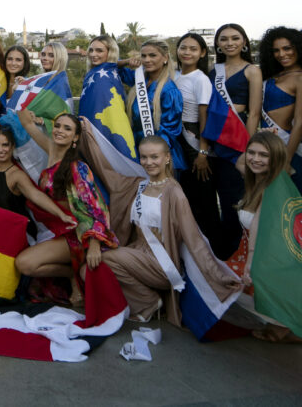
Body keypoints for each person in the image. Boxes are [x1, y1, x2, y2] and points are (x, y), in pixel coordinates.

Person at [81, 132, 242, 324]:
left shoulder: (174, 194)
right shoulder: (137, 185)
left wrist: (218, 276)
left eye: (154, 157)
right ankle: (146, 299)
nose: (149, 162)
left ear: (167, 158)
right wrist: (86, 135)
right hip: (137, 253)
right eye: (144, 157)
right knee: (86, 270)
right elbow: (106, 170)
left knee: (104, 259)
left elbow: (194, 240)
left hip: (161, 263)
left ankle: (146, 302)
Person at [14, 110, 118, 306]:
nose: (60, 130)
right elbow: (25, 122)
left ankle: (74, 274)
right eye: (58, 126)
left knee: (25, 263)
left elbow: (95, 207)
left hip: (78, 235)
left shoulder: (77, 168)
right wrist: (18, 89)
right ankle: (71, 273)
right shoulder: (52, 150)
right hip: (59, 231)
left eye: (67, 128)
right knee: (23, 265)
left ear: (76, 137)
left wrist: (95, 243)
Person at [222, 132, 302, 342]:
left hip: (269, 260)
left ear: (276, 158)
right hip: (255, 254)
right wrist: (264, 137)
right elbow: (242, 162)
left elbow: (259, 228)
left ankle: (282, 325)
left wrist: (250, 264)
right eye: (252, 152)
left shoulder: (272, 188)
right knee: (218, 279)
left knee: (223, 284)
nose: (255, 159)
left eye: (264, 155)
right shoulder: (257, 178)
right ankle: (283, 322)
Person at [205, 23, 262, 259]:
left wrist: (247, 149)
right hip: (215, 140)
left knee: (233, 201)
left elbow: (255, 112)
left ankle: (239, 256)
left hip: (238, 140)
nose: (229, 43)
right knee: (214, 201)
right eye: (224, 39)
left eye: (235, 38)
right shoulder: (213, 70)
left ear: (244, 42)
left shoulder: (252, 71)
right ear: (217, 43)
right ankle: (222, 256)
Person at [0, 127, 76, 241]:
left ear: (12, 147)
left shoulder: (17, 175)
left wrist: (61, 214)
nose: (0, 150)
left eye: (5, 145)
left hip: (14, 233)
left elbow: (36, 195)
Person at [257, 26, 302, 203]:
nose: (281, 54)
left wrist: (287, 159)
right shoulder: (273, 75)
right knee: (270, 207)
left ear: (299, 48)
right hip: (267, 148)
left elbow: (300, 122)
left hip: (291, 151)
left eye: (287, 48)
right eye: (276, 50)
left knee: (295, 208)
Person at [172, 32, 218, 237]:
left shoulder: (201, 80)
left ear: (202, 53)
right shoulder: (173, 75)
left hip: (194, 145)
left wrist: (203, 153)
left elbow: (204, 117)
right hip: (176, 141)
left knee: (202, 202)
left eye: (193, 49)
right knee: (183, 199)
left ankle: (211, 253)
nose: (187, 52)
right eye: (183, 47)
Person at [116, 39, 185, 172]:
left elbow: (170, 131)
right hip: (139, 153)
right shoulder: (140, 79)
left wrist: (151, 156)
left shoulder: (169, 90)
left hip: (160, 158)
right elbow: (112, 67)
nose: (147, 60)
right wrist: (126, 61)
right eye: (143, 56)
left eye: (152, 55)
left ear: (165, 58)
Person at [0, 44, 33, 121]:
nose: (13, 63)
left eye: (18, 60)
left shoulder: (29, 85)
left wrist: (19, 92)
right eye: (10, 59)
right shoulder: (1, 81)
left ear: (25, 63)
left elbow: (29, 115)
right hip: (1, 130)